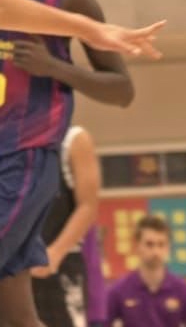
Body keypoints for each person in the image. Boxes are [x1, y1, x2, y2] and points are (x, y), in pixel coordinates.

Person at [0, 0, 164, 327]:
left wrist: (55, 68)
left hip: (26, 156)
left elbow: (121, 90)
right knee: (16, 312)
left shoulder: (71, 0)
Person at [31, 125, 101, 327]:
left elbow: (88, 206)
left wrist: (55, 252)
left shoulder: (73, 139)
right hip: (14, 268)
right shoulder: (10, 141)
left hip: (61, 265)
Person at [105, 215, 186, 327]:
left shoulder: (184, 290)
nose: (156, 251)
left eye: (161, 244)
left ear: (168, 247)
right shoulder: (119, 290)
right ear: (137, 246)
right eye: (149, 244)